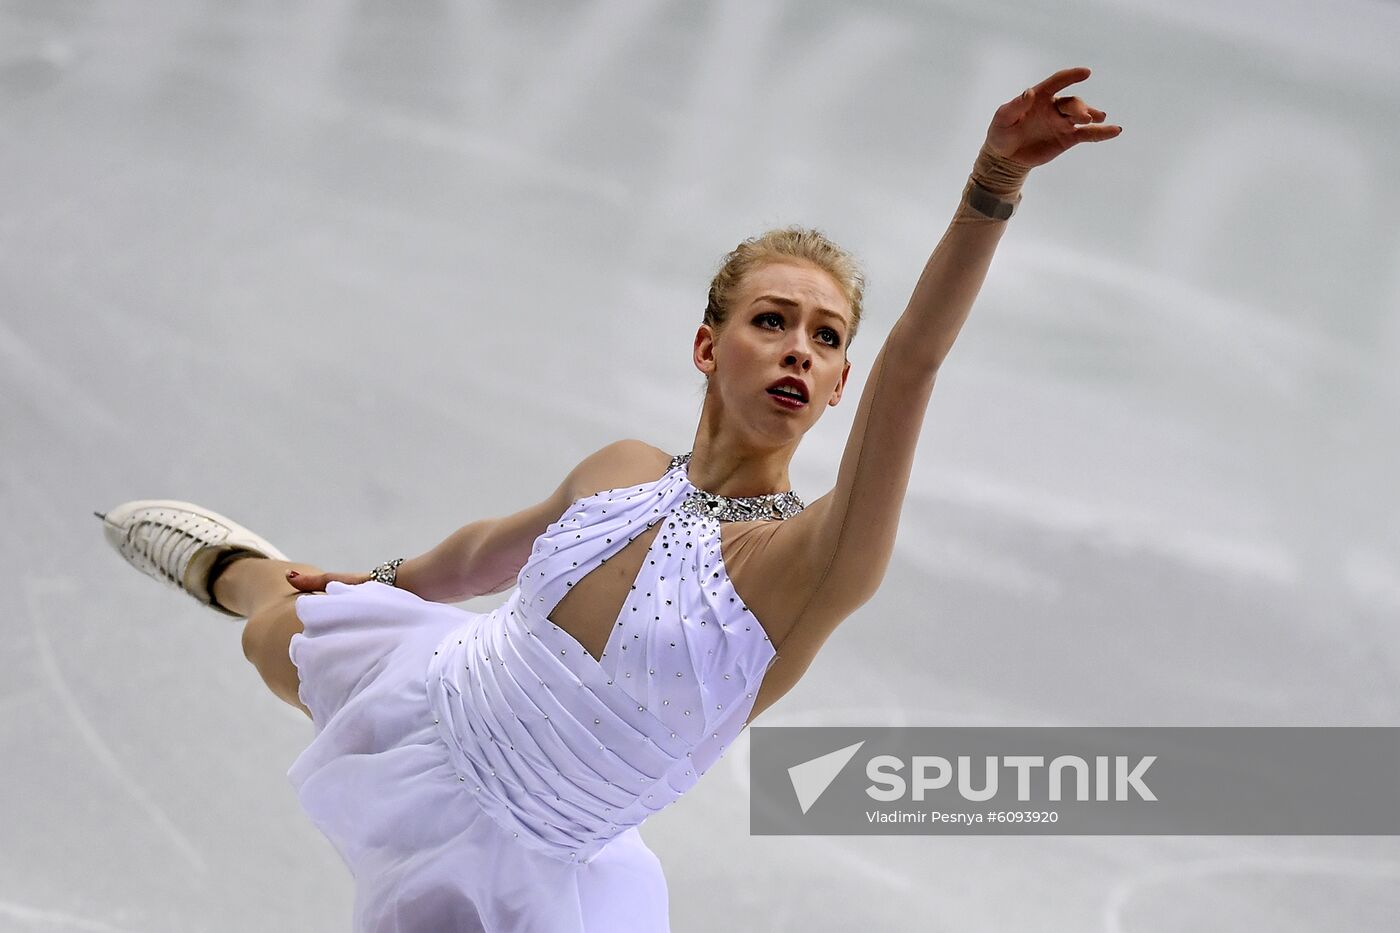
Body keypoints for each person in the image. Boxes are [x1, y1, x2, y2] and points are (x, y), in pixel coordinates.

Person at [97, 67, 1120, 932]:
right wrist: (371, 580)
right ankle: (236, 568)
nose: (799, 351)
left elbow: (914, 365)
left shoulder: (813, 562)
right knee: (274, 625)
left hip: (537, 859)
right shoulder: (624, 467)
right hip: (442, 695)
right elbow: (487, 554)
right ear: (708, 347)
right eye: (773, 321)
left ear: (840, 382)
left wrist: (992, 183)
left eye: (826, 338)